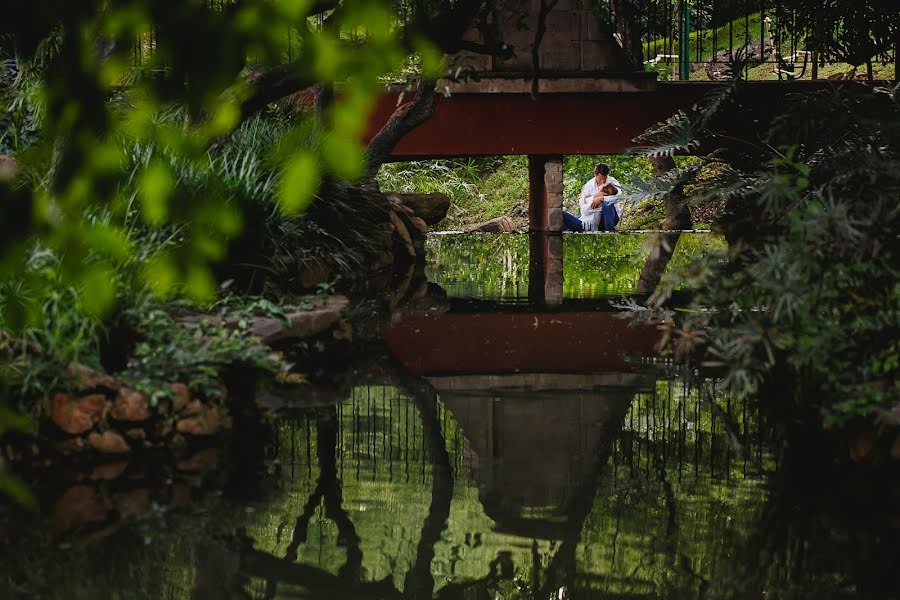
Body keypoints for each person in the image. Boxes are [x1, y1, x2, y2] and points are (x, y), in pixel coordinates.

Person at [561, 163, 624, 232]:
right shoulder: (589, 184)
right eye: (600, 179)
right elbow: (582, 203)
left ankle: (609, 231)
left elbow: (618, 198)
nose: (602, 182)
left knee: (607, 203)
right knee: (566, 223)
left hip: (610, 217)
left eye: (605, 179)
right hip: (590, 219)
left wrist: (602, 198)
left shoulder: (613, 183)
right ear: (595, 175)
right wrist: (594, 198)